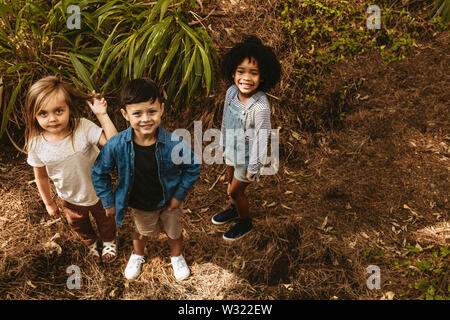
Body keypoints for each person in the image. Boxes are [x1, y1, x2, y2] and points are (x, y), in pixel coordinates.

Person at [91, 78, 200, 281]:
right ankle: (138, 254)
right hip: (140, 203)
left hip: (170, 202)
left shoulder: (174, 143)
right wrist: (108, 201)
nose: (145, 119)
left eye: (152, 111)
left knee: (174, 231)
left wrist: (179, 195)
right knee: (141, 232)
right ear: (125, 114)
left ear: (162, 109)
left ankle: (176, 256)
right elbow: (99, 172)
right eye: (137, 113)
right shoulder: (116, 145)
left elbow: (193, 167)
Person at [25, 76, 118, 263]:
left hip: (100, 193)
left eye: (59, 111)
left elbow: (114, 145)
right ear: (33, 115)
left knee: (107, 220)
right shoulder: (36, 143)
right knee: (78, 224)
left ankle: (109, 240)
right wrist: (49, 203)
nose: (52, 119)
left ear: (69, 108)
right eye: (43, 114)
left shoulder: (82, 127)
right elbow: (41, 176)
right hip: (69, 197)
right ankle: (90, 241)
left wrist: (102, 114)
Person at [212, 35, 281, 241]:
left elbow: (261, 140)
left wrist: (254, 167)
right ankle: (234, 209)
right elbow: (225, 118)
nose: (246, 78)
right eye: (241, 72)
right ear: (233, 72)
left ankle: (244, 222)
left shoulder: (259, 106)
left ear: (263, 77)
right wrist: (223, 141)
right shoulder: (231, 92)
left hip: (249, 157)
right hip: (232, 149)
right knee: (229, 181)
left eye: (254, 73)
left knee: (235, 191)